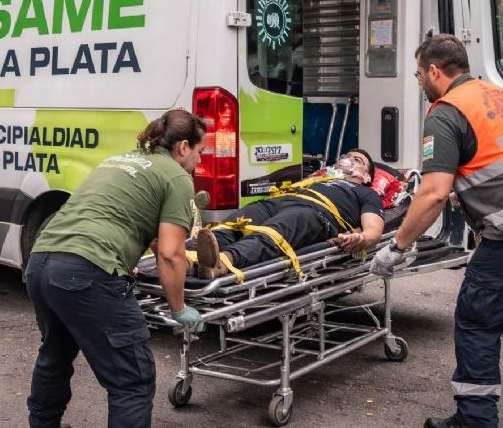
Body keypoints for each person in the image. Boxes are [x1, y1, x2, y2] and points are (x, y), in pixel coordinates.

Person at [369, 34, 503, 428]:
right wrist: (465, 189)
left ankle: (476, 420)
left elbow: (432, 193)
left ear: (434, 71)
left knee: (477, 321)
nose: (419, 82)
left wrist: (396, 247)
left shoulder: (445, 112)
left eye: (418, 74)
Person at [24, 110, 206, 428]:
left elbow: (121, 218)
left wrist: (124, 260)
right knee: (133, 379)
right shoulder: (177, 177)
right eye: (200, 151)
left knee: (55, 354)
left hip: (41, 262)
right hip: (86, 272)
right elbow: (170, 255)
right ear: (183, 147)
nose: (199, 160)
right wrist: (179, 308)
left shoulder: (119, 160)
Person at [195, 149, 385, 279]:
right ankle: (188, 258)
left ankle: (222, 262)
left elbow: (374, 230)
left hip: (315, 212)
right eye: (346, 155)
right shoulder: (314, 180)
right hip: (280, 201)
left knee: (272, 233)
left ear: (367, 176)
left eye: (357, 160)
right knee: (235, 224)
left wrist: (360, 239)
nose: (349, 159)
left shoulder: (366, 193)